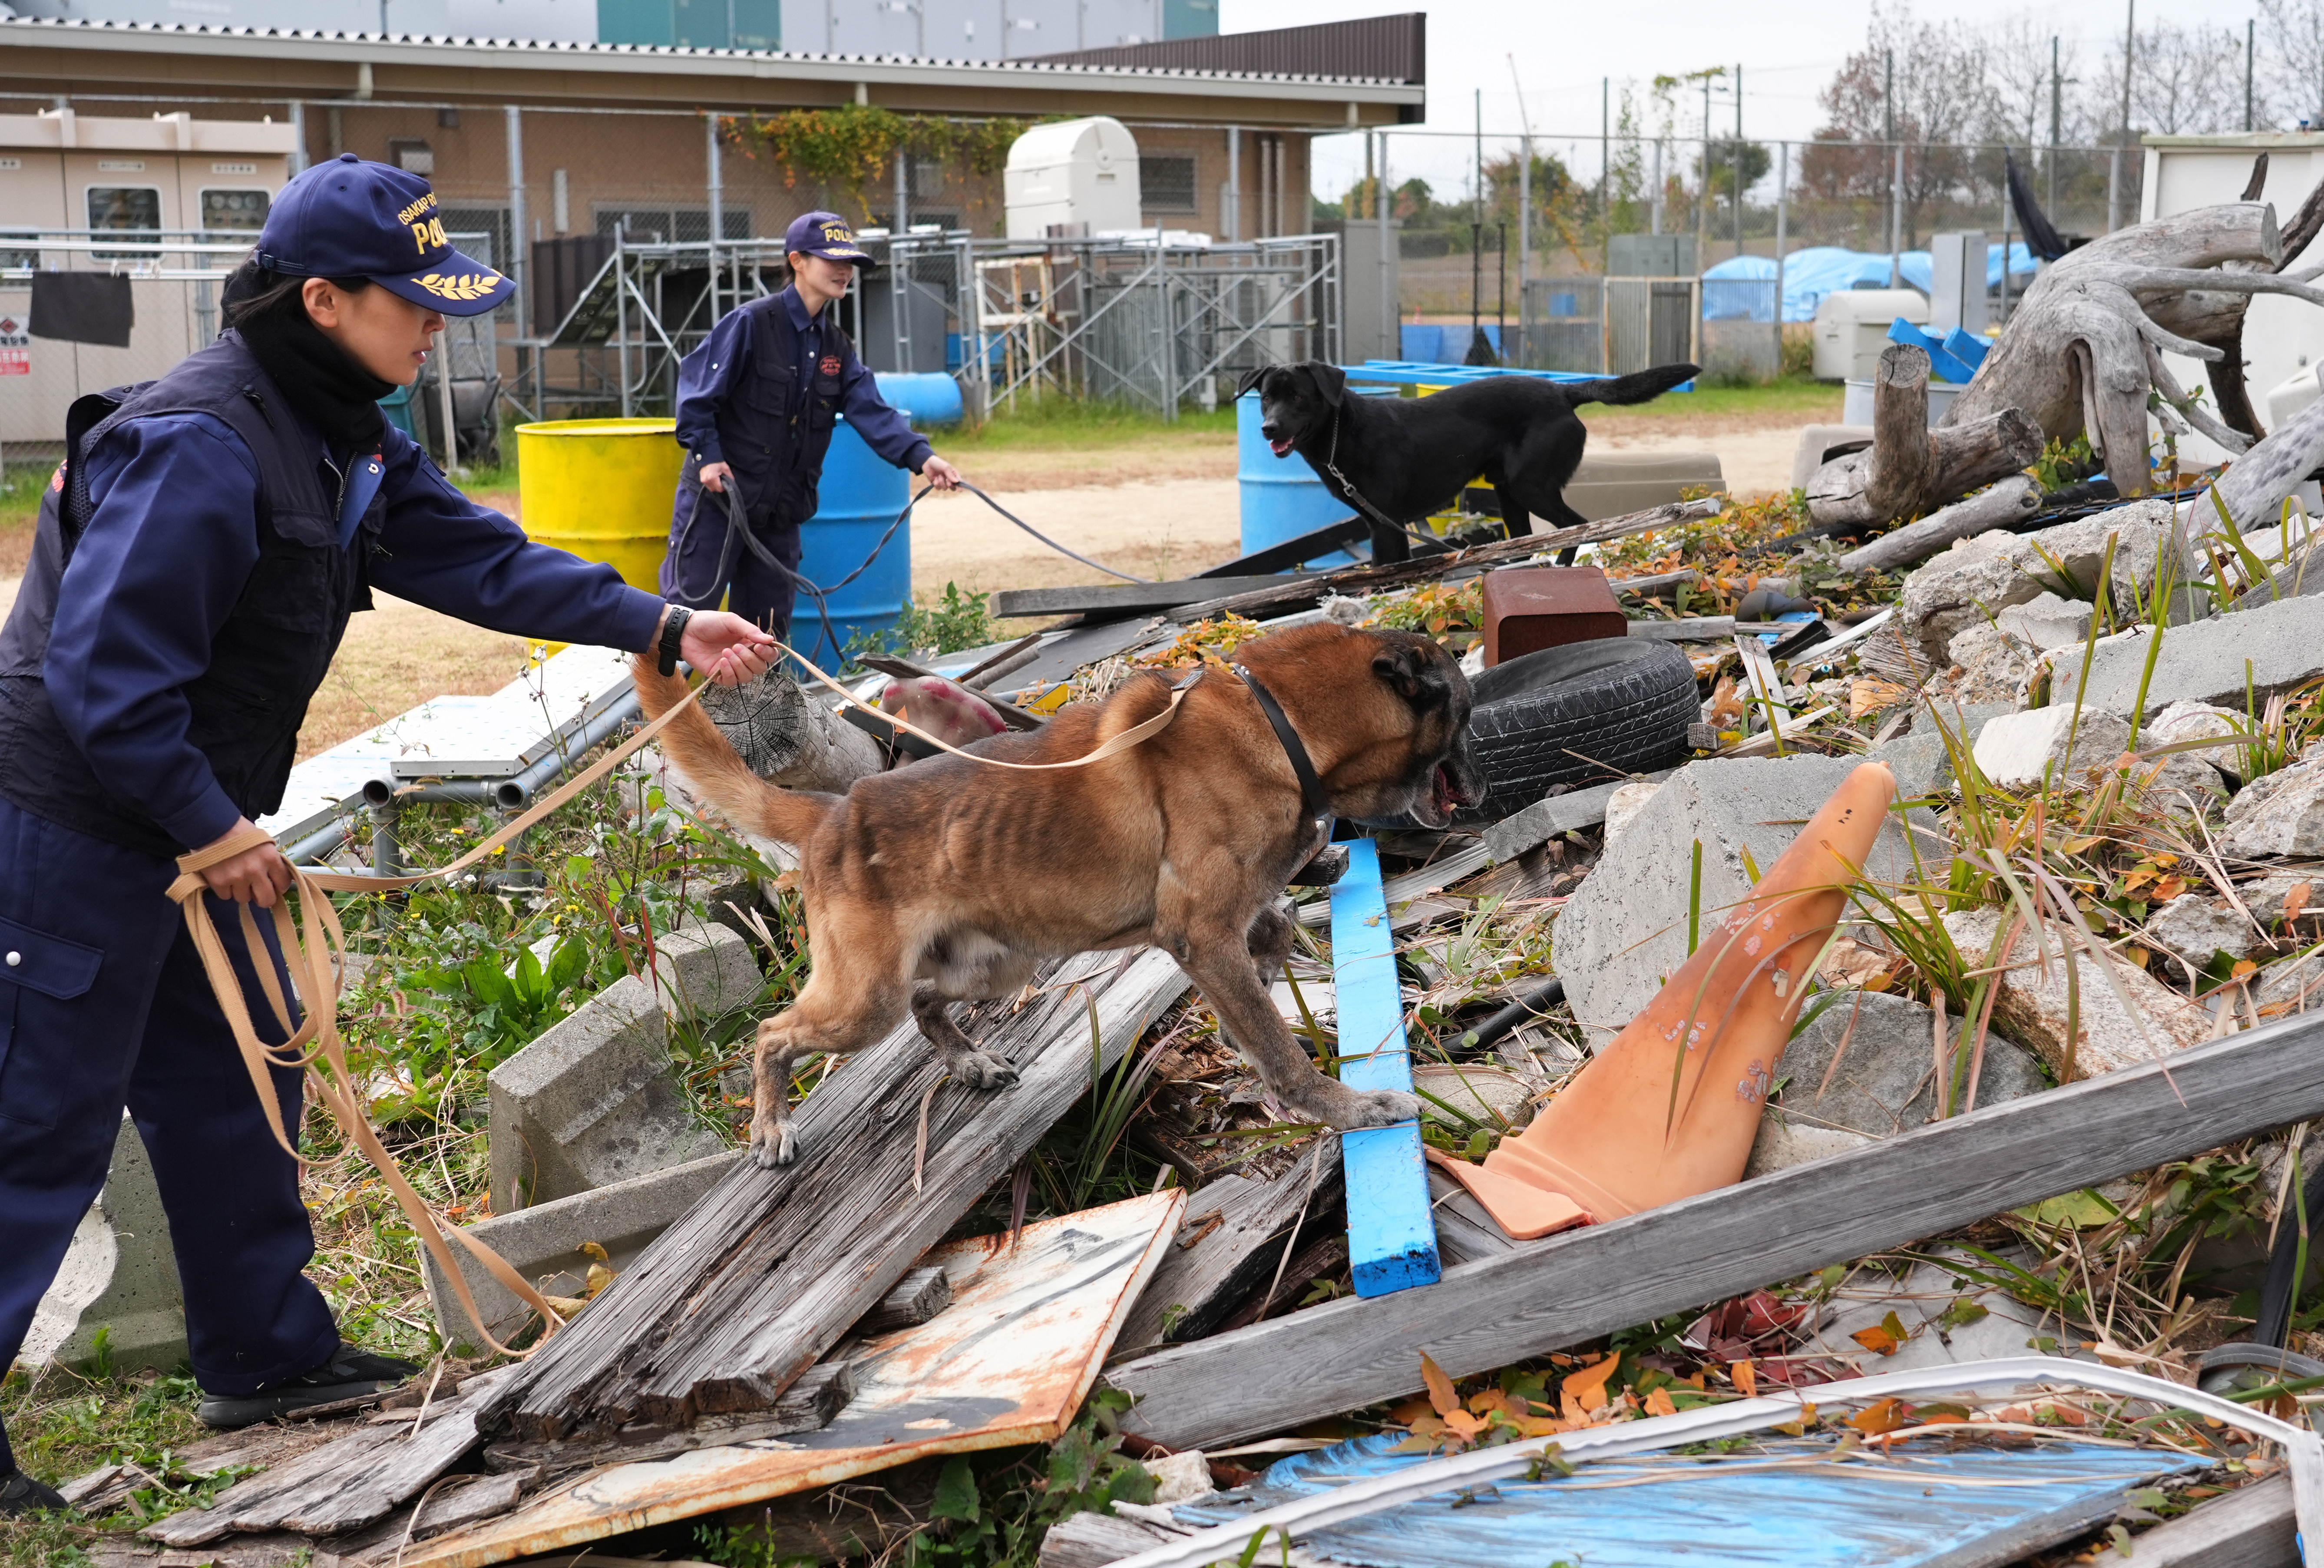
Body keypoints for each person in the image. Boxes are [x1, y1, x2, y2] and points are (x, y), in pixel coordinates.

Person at [0, 153, 778, 1512]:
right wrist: (211, 829)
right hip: (79, 827)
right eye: (414, 305)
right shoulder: (198, 443)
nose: (435, 329)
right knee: (37, 1126)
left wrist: (659, 622)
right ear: (323, 300)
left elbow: (474, 556)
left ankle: (265, 1355)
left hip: (193, 817)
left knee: (245, 1085)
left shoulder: (344, 429)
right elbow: (105, 684)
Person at [661, 211, 963, 655]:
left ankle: (750, 706)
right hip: (719, 501)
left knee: (763, 637)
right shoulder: (750, 323)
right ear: (797, 261)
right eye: (832, 260)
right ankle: (659, 702)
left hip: (780, 514)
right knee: (685, 620)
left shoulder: (836, 346)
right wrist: (708, 457)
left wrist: (923, 457)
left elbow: (871, 409)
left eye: (849, 263)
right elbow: (696, 395)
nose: (844, 271)